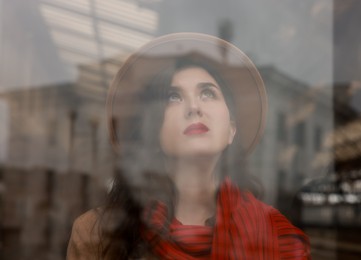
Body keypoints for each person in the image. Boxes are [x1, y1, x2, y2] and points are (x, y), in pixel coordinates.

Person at [67, 33, 311, 259]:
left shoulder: (277, 238)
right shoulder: (97, 235)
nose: (194, 107)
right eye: (173, 97)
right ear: (153, 132)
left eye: (208, 94)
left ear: (231, 130)